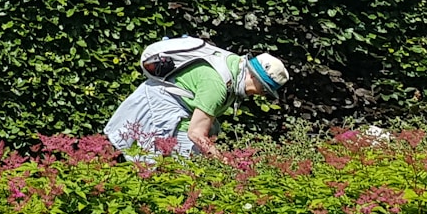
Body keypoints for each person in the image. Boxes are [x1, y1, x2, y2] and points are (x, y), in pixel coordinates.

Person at [105, 49, 289, 159]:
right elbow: (195, 133)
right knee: (181, 164)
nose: (261, 94)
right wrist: (224, 162)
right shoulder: (217, 85)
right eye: (263, 88)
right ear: (252, 75)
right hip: (158, 107)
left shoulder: (234, 66)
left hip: (176, 108)